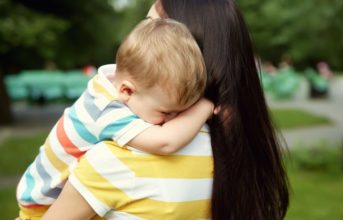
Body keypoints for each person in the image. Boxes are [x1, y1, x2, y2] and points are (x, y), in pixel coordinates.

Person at [44, 0, 290, 219]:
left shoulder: (116, 160)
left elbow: (164, 142)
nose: (138, 36)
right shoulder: (238, 155)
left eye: (152, 25)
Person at [16, 18, 214, 219]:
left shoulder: (128, 88)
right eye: (166, 112)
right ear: (126, 91)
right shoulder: (106, 109)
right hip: (43, 206)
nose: (172, 120)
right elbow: (165, 142)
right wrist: (205, 106)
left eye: (181, 112)